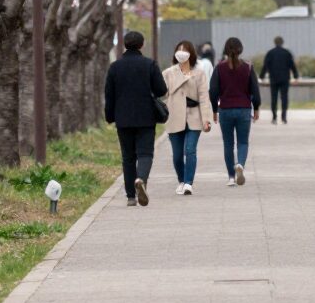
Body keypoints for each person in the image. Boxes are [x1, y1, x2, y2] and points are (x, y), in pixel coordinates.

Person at [104, 29, 167, 207]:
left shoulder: (115, 67)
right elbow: (161, 90)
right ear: (142, 45)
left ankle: (131, 196)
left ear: (124, 45)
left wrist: (110, 117)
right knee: (145, 153)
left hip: (123, 118)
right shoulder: (149, 64)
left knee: (128, 157)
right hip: (146, 117)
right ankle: (141, 179)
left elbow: (109, 95)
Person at [208, 36, 260, 185]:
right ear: (240, 49)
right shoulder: (248, 67)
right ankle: (240, 165)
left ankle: (231, 177)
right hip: (243, 109)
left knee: (228, 144)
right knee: (243, 142)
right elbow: (255, 91)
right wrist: (256, 107)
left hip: (225, 109)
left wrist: (214, 109)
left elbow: (213, 91)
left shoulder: (219, 67)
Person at [163, 38, 211, 195]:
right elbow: (162, 94)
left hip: (194, 117)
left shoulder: (199, 74)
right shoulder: (168, 73)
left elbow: (204, 97)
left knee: (190, 150)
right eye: (179, 50)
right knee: (177, 155)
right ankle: (181, 180)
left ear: (191, 53)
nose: (181, 53)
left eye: (185, 50)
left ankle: (189, 183)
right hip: (174, 117)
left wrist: (206, 120)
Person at [262, 36, 298, 124]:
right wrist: (296, 76)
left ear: (274, 43)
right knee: (284, 98)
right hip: (285, 78)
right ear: (282, 43)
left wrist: (261, 76)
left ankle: (274, 117)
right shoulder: (287, 53)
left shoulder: (270, 53)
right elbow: (292, 65)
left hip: (273, 78)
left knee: (274, 98)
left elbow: (266, 65)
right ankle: (284, 117)